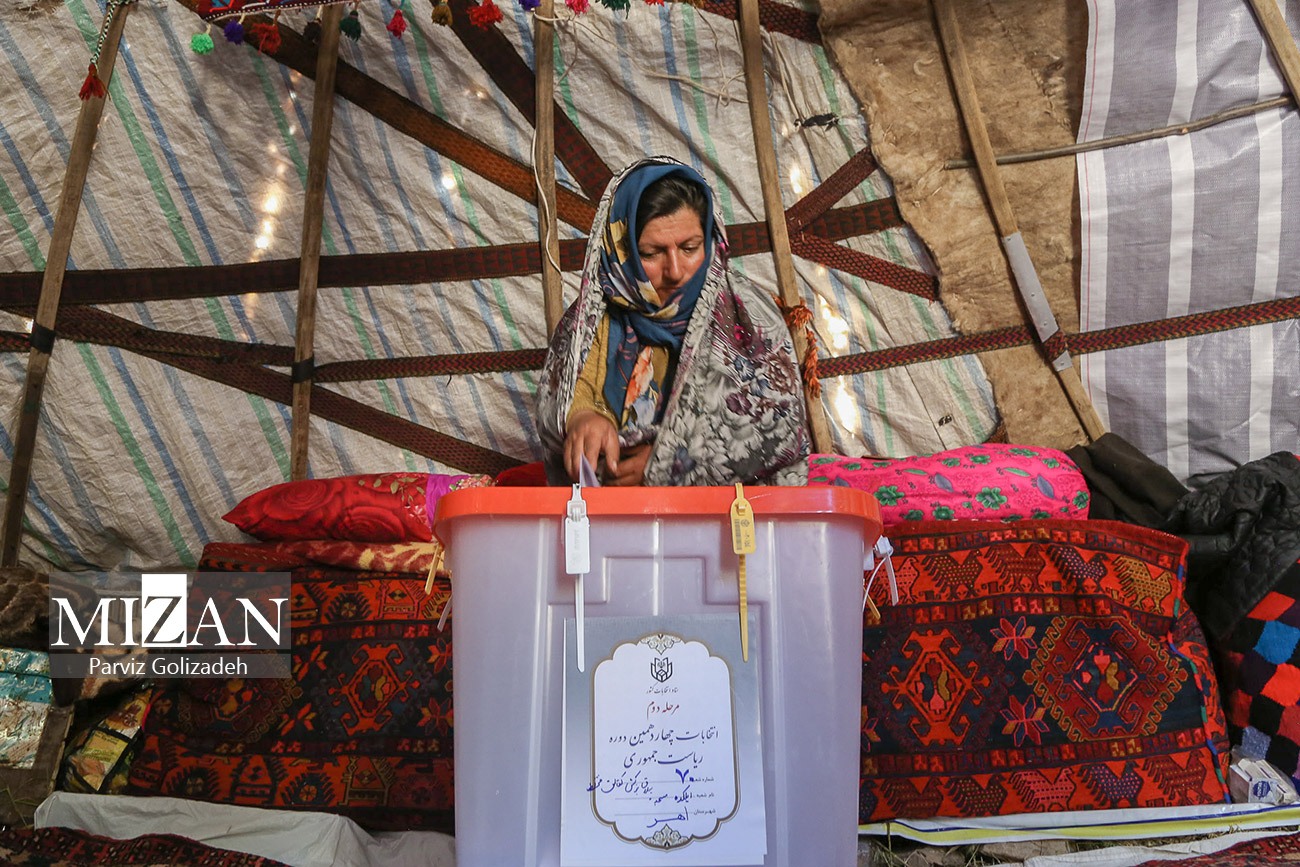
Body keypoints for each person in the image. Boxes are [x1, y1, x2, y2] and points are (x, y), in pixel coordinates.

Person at [536, 157, 810, 487]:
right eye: (651, 253)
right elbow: (566, 398)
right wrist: (582, 418)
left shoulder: (748, 318)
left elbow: (779, 430)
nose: (676, 271)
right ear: (621, 250)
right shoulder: (591, 320)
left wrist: (669, 463)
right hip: (612, 511)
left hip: (729, 512)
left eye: (690, 248)